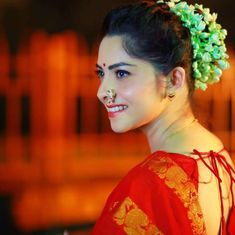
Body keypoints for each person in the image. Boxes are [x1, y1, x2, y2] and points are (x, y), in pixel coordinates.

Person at [92, 0, 235, 234]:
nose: (102, 92)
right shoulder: (216, 153)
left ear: (174, 80)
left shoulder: (149, 186)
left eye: (121, 73)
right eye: (101, 74)